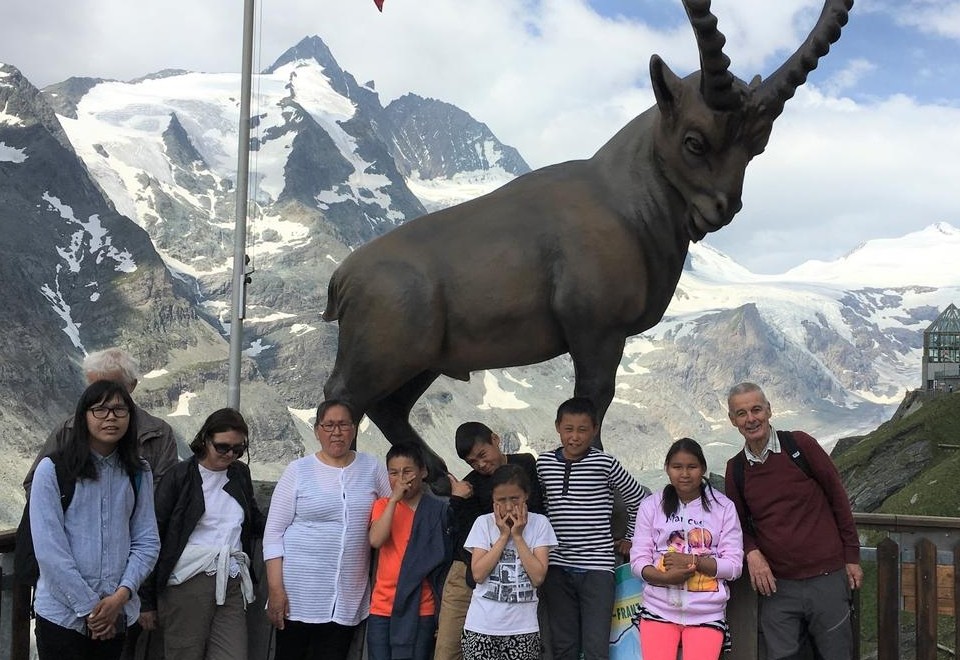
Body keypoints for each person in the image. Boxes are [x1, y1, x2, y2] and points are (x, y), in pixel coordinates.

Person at [723, 382, 862, 660]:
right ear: (732, 420)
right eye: (741, 413)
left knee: (837, 655)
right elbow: (737, 522)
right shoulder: (736, 469)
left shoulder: (800, 446)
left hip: (827, 578)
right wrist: (751, 552)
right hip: (778, 586)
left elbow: (837, 497)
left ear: (769, 411)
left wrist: (851, 556)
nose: (751, 419)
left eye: (756, 409)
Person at [30, 380, 160, 660]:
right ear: (83, 416)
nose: (111, 417)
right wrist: (94, 610)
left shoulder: (139, 472)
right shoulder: (53, 470)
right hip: (62, 618)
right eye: (100, 409)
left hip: (118, 614)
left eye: (119, 409)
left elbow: (146, 540)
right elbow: (49, 550)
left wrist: (119, 598)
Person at [263, 400, 391, 660]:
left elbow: (393, 507)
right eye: (329, 425)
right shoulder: (298, 471)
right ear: (317, 430)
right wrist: (276, 590)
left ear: (354, 429)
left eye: (343, 424)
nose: (337, 432)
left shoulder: (372, 467)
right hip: (297, 597)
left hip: (345, 598)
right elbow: (273, 534)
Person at [138, 408, 265, 660]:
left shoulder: (239, 474)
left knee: (233, 654)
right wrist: (147, 601)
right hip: (187, 580)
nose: (230, 454)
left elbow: (252, 518)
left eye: (238, 449)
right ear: (205, 439)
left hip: (231, 579)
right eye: (223, 447)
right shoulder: (180, 476)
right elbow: (155, 534)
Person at [536, 396, 650, 660]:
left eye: (582, 429)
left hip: (597, 568)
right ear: (557, 427)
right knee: (564, 645)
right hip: (557, 566)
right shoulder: (544, 464)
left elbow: (639, 500)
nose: (574, 437)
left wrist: (630, 537)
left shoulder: (605, 464)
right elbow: (542, 506)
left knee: (596, 645)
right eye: (568, 429)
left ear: (595, 430)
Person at [435, 422, 544, 660]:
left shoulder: (526, 464)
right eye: (473, 462)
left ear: (495, 439)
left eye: (482, 455)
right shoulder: (469, 486)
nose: (481, 465)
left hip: (517, 574)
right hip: (469, 570)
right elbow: (464, 534)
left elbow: (536, 512)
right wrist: (457, 500)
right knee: (448, 649)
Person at [630, 438, 743, 660]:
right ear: (667, 469)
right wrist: (665, 578)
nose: (684, 474)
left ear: (703, 469)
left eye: (692, 467)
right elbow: (638, 561)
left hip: (707, 614)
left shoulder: (723, 507)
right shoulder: (651, 505)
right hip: (657, 610)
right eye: (677, 467)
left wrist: (694, 561)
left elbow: (734, 566)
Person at [24, 348, 180, 491]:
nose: (106, 395)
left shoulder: (158, 434)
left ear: (131, 385)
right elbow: (35, 483)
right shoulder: (68, 430)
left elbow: (167, 492)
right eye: (97, 387)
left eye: (113, 386)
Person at [461, 463, 557, 660]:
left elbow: (538, 576)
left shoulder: (540, 524)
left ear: (526, 496)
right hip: (481, 627)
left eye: (515, 499)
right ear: (492, 500)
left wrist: (518, 537)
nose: (508, 507)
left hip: (523, 628)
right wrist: (504, 536)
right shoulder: (483, 523)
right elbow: (478, 574)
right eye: (500, 500)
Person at [368, 443, 452, 660]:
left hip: (421, 607)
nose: (401, 479)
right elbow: (376, 539)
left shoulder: (437, 509)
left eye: (408, 471)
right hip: (382, 605)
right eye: (393, 473)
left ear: (423, 472)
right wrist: (394, 500)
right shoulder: (383, 505)